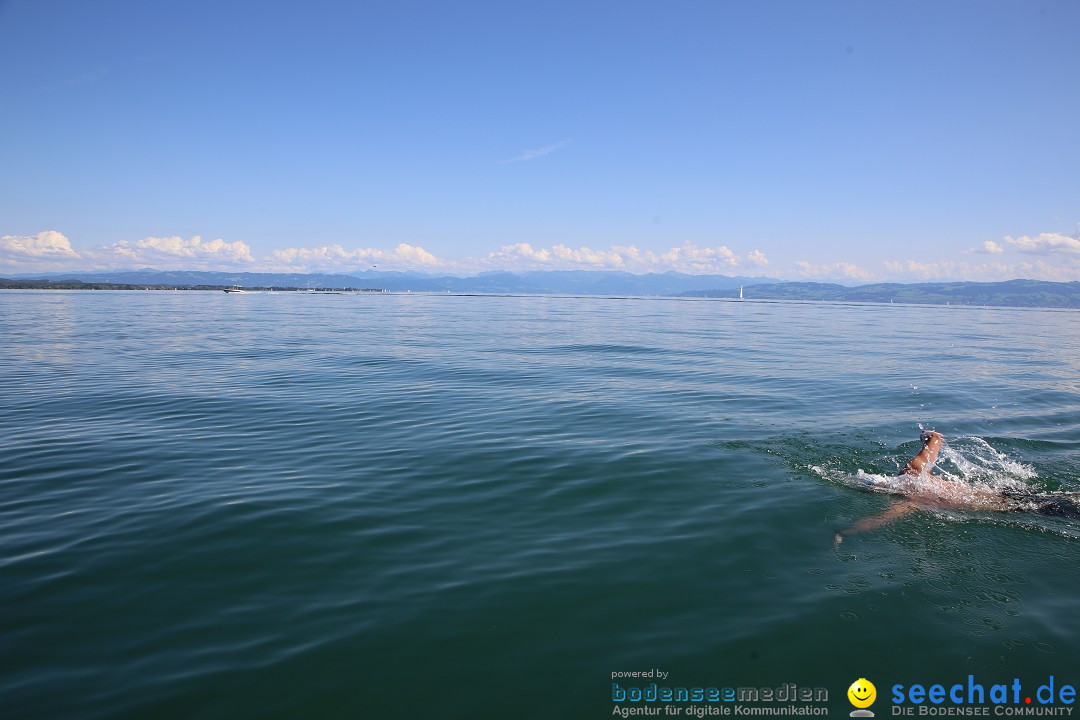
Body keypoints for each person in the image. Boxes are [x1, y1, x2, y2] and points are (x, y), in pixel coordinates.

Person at [834, 430, 1079, 546]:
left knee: (1059, 508)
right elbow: (935, 438)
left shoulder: (909, 499)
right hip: (1005, 493)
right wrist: (926, 437)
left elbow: (879, 519)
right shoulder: (913, 472)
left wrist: (845, 533)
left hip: (1011, 506)